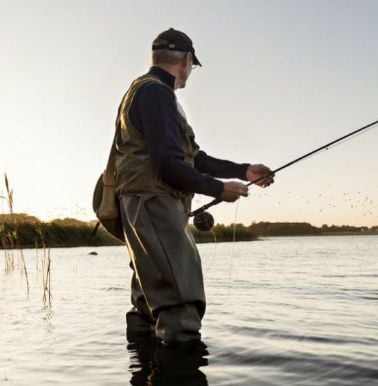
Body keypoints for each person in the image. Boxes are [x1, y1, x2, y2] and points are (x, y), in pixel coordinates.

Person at [114, 28, 273, 344]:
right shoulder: (156, 93)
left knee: (148, 301)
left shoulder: (145, 90)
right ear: (187, 60)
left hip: (142, 206)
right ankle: (178, 374)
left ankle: (144, 370)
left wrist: (243, 171)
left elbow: (192, 157)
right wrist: (218, 189)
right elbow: (168, 165)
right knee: (180, 304)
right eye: (192, 66)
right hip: (155, 205)